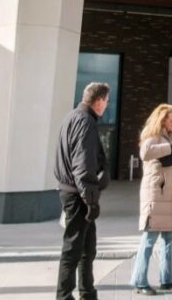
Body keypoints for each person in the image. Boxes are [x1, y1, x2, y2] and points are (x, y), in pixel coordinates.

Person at [54, 82, 111, 300]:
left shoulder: (72, 117)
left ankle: (87, 292)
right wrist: (91, 201)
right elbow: (82, 165)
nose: (107, 105)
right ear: (98, 101)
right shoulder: (85, 122)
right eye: (106, 101)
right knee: (73, 248)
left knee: (87, 247)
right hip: (78, 195)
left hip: (75, 192)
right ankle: (64, 295)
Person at [130, 104, 172, 295]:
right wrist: (171, 147)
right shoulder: (152, 135)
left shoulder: (167, 138)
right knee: (149, 239)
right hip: (156, 197)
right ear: (162, 120)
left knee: (169, 240)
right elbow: (145, 153)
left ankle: (167, 280)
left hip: (169, 198)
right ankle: (139, 281)